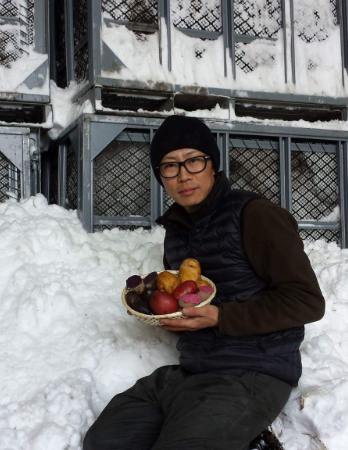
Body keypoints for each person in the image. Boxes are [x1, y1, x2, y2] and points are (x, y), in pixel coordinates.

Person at [83, 115, 325, 450]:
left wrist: (221, 317)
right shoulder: (176, 232)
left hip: (253, 372)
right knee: (105, 442)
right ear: (160, 177)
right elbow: (194, 302)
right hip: (192, 373)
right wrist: (166, 316)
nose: (183, 175)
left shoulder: (255, 215)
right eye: (169, 166)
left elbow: (306, 301)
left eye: (193, 161)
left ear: (213, 165)